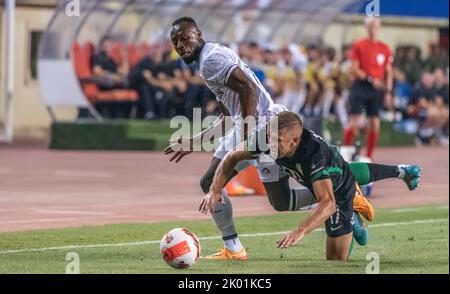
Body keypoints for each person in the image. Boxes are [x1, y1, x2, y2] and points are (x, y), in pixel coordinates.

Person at [165, 17, 376, 261]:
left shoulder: (211, 59)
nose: (180, 45)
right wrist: (196, 141)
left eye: (184, 38)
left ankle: (344, 196)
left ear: (198, 34)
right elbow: (228, 113)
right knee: (230, 188)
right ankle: (234, 249)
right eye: (175, 41)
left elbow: (249, 90)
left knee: (269, 197)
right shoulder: (207, 61)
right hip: (247, 123)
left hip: (267, 126)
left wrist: (248, 133)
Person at [202, 111, 422, 261]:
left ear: (295, 141)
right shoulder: (266, 139)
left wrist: (300, 230)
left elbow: (327, 203)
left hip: (337, 190)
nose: (270, 145)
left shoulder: (312, 154)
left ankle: (352, 210)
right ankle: (400, 173)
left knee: (335, 261)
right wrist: (214, 190)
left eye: (277, 141)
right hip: (324, 177)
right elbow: (231, 158)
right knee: (282, 202)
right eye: (269, 138)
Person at [343, 17, 394, 159]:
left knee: (375, 123)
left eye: (375, 25)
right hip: (361, 86)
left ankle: (369, 156)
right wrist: (370, 79)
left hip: (376, 90)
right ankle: (345, 153)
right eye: (370, 25)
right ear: (367, 27)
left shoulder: (385, 48)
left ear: (379, 27)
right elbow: (354, 68)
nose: (373, 28)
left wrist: (389, 92)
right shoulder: (359, 45)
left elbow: (388, 71)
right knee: (355, 120)